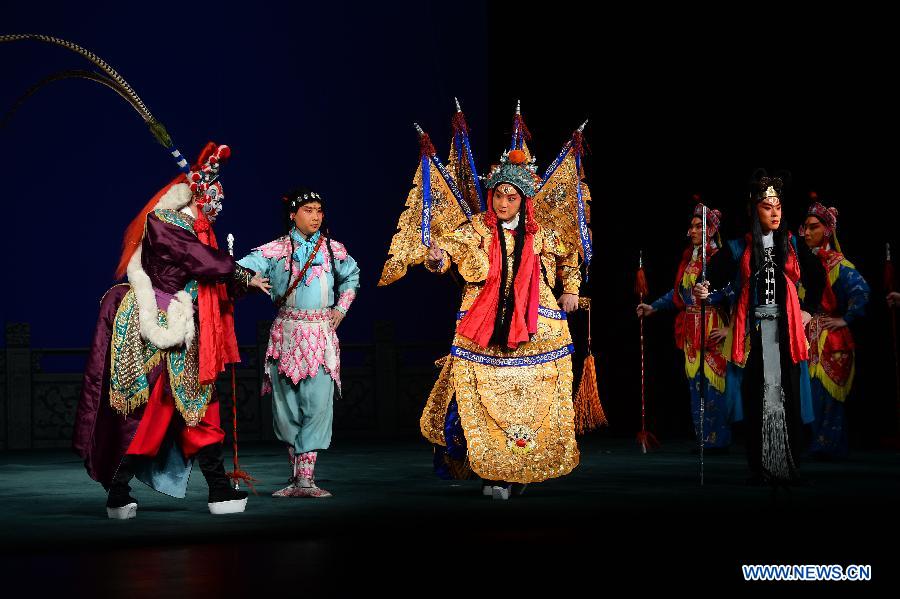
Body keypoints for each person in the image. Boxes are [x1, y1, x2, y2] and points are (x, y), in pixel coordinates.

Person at [74, 143, 271, 518]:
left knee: (198, 405)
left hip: (184, 321)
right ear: (199, 193)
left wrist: (241, 281)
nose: (218, 203)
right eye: (214, 194)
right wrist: (240, 273)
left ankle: (217, 489)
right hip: (158, 321)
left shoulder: (192, 230)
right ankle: (118, 489)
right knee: (153, 408)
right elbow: (199, 261)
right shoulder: (164, 223)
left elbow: (204, 271)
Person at [238, 188, 360, 498]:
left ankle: (307, 478)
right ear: (293, 215)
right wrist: (248, 279)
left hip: (320, 333)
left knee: (317, 405)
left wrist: (340, 310)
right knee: (286, 408)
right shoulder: (276, 250)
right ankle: (296, 479)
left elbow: (352, 277)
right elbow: (238, 269)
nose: (316, 216)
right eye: (308, 210)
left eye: (319, 210)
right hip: (287, 333)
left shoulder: (334, 250)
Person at [719, 170, 824, 485]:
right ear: (755, 209)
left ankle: (788, 462)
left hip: (785, 329)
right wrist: (703, 290)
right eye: (767, 207)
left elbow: (817, 275)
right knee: (757, 396)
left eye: (778, 206)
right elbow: (712, 278)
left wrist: (808, 310)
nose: (775, 212)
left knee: (786, 394)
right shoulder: (739, 247)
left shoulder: (791, 243)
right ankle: (760, 464)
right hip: (754, 331)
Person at [636, 201, 735, 451]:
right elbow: (679, 293)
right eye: (691, 226)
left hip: (713, 326)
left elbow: (736, 293)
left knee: (714, 385)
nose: (691, 231)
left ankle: (717, 440)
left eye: (698, 226)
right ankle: (703, 439)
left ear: (710, 230)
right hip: (691, 330)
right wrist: (654, 306)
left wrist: (730, 329)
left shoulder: (721, 258)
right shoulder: (689, 259)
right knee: (696, 386)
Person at [799, 196, 869, 458]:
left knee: (830, 399)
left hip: (833, 339)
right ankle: (817, 445)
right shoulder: (806, 264)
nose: (807, 232)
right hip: (810, 339)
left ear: (827, 230)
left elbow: (861, 292)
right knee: (813, 395)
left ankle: (829, 447)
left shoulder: (839, 265)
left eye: (814, 227)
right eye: (805, 227)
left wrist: (844, 319)